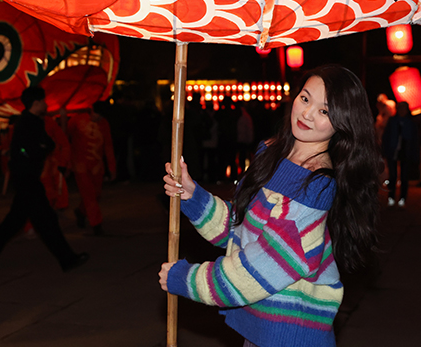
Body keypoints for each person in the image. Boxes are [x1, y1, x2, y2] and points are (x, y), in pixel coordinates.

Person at [159, 65, 381, 347]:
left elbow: (256, 270)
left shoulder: (317, 186)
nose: (307, 113)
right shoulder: (272, 154)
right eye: (305, 98)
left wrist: (187, 279)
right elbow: (242, 230)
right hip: (259, 328)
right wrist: (194, 197)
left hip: (289, 335)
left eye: (324, 111)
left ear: (343, 121)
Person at [0, 86, 88, 273]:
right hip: (27, 178)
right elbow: (26, 150)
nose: (46, 104)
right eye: (43, 101)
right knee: (45, 221)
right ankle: (67, 259)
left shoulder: (33, 121)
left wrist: (41, 148)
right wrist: (39, 150)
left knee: (17, 222)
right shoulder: (27, 123)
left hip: (27, 177)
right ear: (36, 103)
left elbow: (47, 143)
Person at [67, 107, 116, 235]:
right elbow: (66, 136)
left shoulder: (103, 123)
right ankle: (96, 224)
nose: (96, 118)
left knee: (96, 194)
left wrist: (112, 168)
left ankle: (81, 212)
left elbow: (108, 145)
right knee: (89, 194)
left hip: (96, 165)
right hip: (80, 165)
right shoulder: (77, 120)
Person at [381, 101, 419, 206]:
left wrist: (415, 154)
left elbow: (414, 139)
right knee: (392, 176)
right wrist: (384, 150)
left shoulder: (410, 123)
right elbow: (386, 136)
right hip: (393, 151)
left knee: (404, 177)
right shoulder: (392, 121)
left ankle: (402, 199)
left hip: (405, 152)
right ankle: (391, 198)